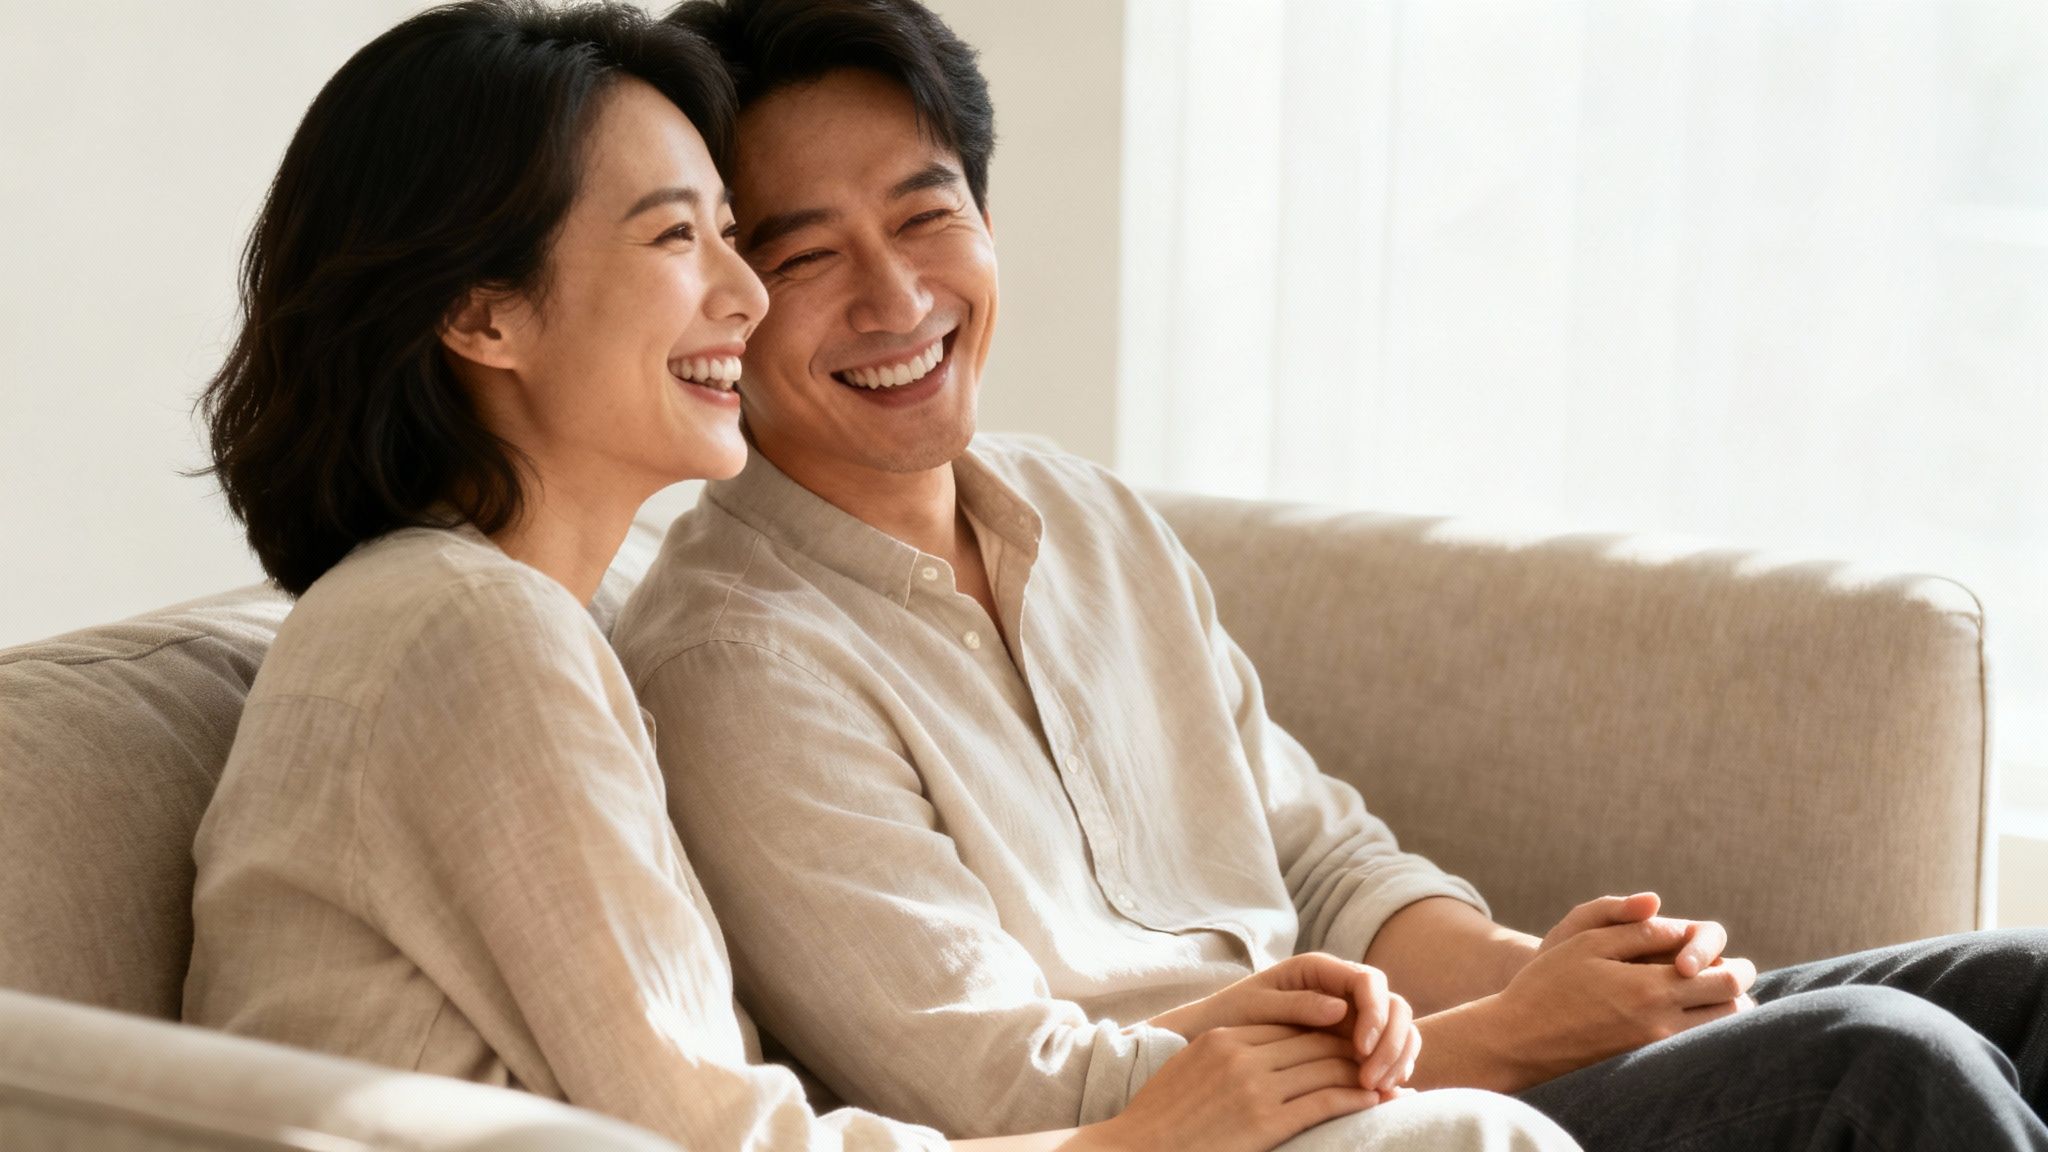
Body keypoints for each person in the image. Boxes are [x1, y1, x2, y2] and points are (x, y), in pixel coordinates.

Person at [610, 0, 2048, 1148]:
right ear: (725, 298)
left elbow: (1320, 862)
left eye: (927, 216)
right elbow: (1003, 1087)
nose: (898, 297)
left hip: (1427, 1060)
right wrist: (1518, 1036)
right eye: (809, 256)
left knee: (2025, 989)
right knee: (1884, 1070)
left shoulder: (1081, 513)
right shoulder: (732, 661)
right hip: (1308, 1134)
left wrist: (1549, 979)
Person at [179, 3, 1575, 1150]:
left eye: (732, 235)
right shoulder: (471, 632)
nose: (744, 296)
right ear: (482, 314)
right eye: (680, 238)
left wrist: (1266, 1045)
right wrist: (1149, 1135)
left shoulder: (491, 622)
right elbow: (726, 1138)